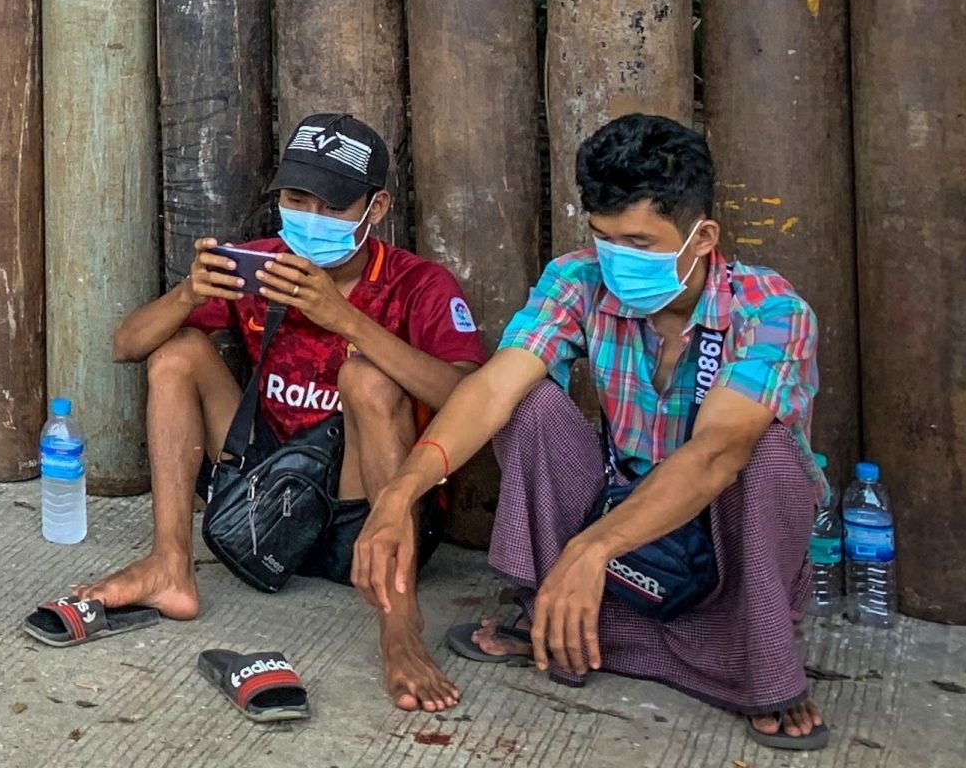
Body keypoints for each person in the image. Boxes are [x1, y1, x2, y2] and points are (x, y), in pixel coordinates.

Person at [352, 114, 828, 751]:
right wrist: (399, 492)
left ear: (703, 236)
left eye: (639, 243)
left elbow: (717, 455)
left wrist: (591, 550)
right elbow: (492, 389)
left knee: (767, 451)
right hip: (619, 506)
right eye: (605, 240)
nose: (618, 262)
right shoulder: (578, 278)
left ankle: (760, 659)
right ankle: (550, 616)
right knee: (529, 403)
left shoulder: (772, 311)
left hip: (716, 532)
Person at [67, 113, 485, 711]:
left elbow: (469, 398)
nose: (309, 219)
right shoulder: (260, 265)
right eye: (296, 199)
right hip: (263, 497)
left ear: (378, 206)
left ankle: (400, 620)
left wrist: (348, 322)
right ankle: (169, 565)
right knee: (177, 354)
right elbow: (126, 345)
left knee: (367, 377)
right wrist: (190, 293)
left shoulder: (418, 284)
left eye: (333, 206)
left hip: (364, 509)